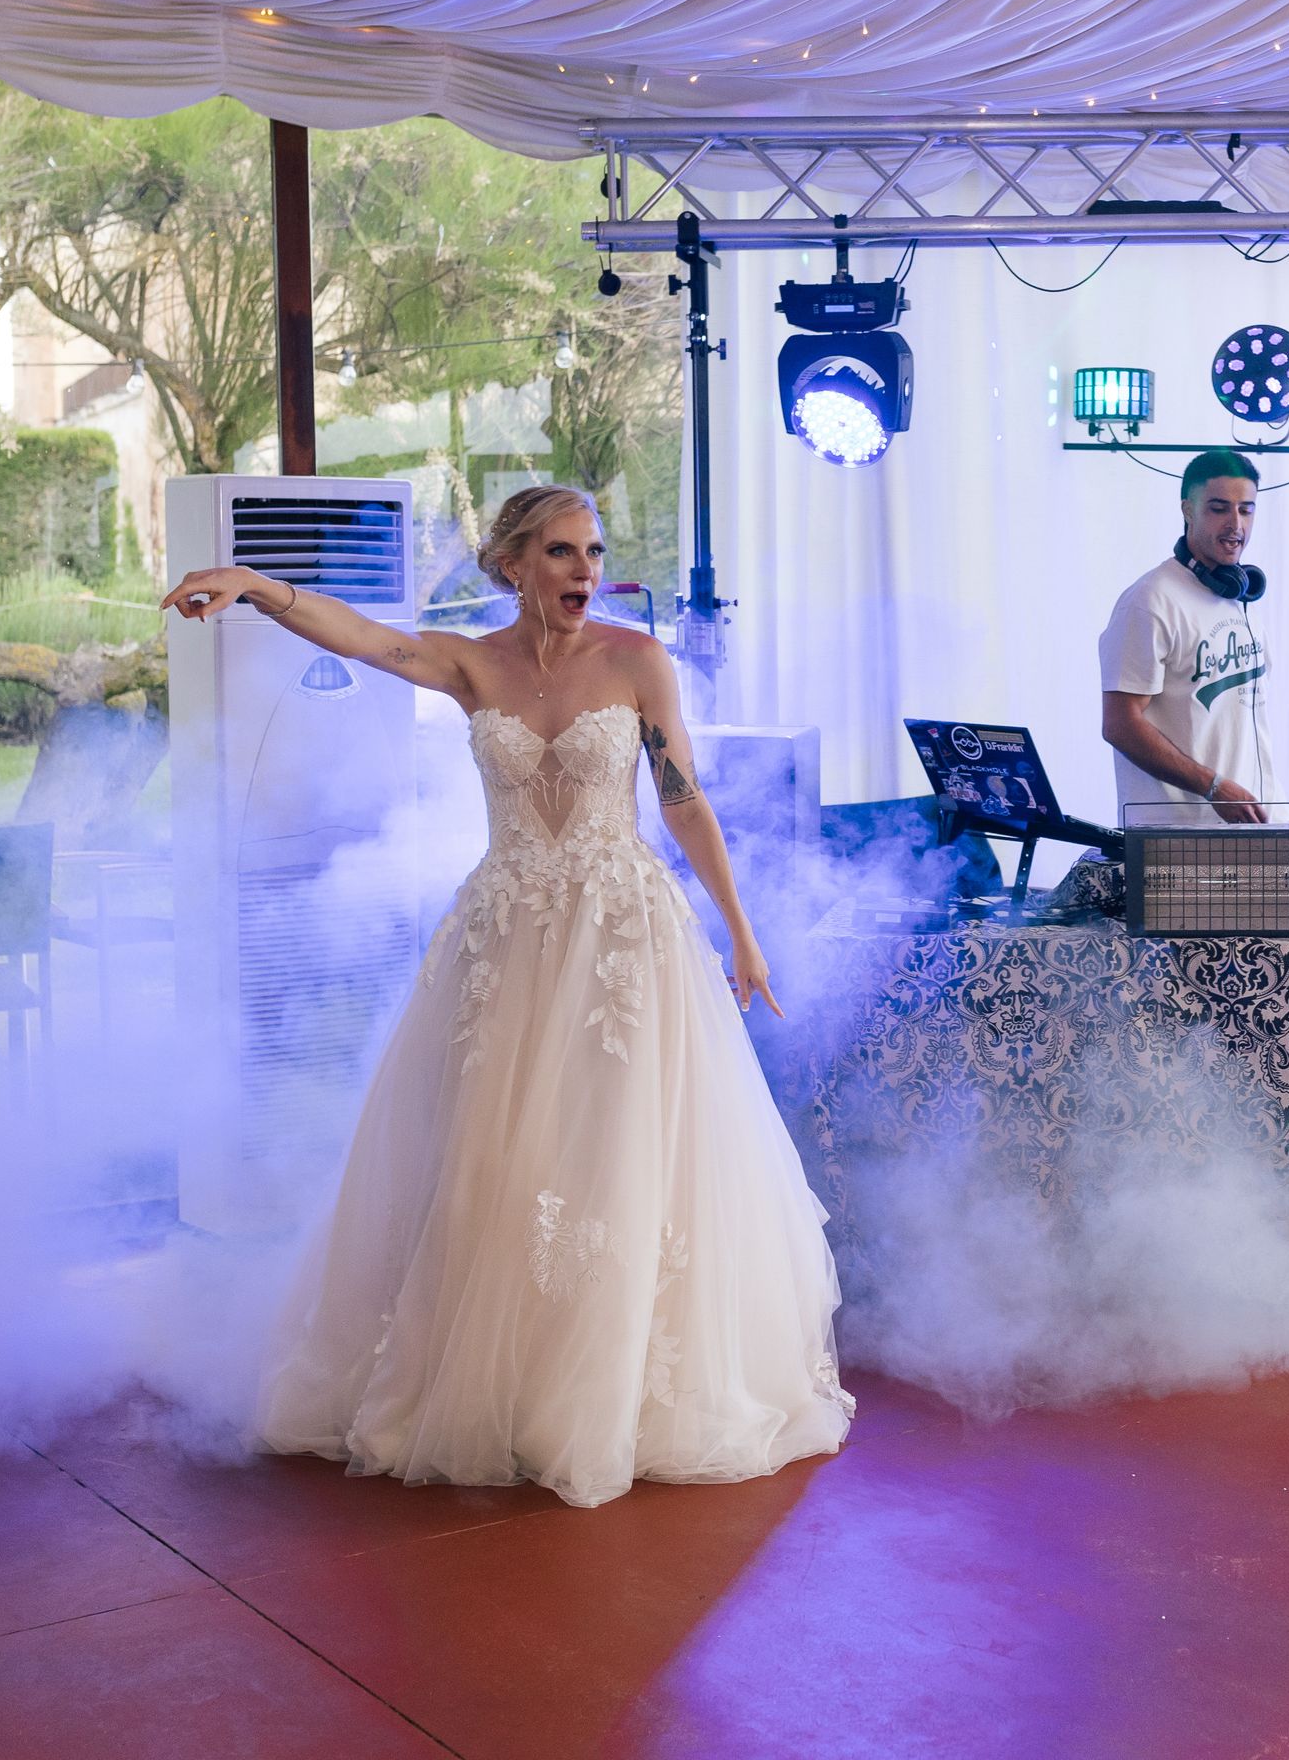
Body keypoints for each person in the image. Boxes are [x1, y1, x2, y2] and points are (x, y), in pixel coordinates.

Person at [164, 484, 851, 1508]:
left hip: (623, 935)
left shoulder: (636, 661)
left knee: (616, 1147)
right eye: (562, 552)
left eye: (594, 551)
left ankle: (611, 1390)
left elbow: (681, 797)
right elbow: (360, 637)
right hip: (507, 936)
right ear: (515, 565)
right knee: (493, 1152)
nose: (584, 570)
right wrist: (257, 584)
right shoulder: (472, 663)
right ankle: (503, 1376)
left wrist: (742, 934)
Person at [1099, 450, 1276, 825]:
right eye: (1218, 508)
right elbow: (1120, 724)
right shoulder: (1150, 601)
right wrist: (1214, 787)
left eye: (1246, 509)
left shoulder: (1239, 598)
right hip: (1174, 839)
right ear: (1187, 510)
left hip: (1250, 828)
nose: (1236, 524)